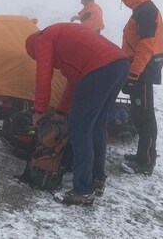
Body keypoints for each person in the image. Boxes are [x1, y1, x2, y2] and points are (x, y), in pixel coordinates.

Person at [25, 23, 128, 205]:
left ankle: (83, 190)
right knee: (96, 124)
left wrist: (39, 111)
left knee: (80, 129)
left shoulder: (42, 40)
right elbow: (74, 82)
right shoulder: (64, 39)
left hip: (100, 67)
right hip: (119, 63)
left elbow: (43, 77)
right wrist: (61, 112)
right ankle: (96, 178)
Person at [112, 0, 163, 175]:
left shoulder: (146, 11)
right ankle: (143, 154)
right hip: (139, 70)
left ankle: (145, 161)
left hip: (142, 71)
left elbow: (146, 46)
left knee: (145, 116)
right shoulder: (142, 10)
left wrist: (133, 74)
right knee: (139, 113)